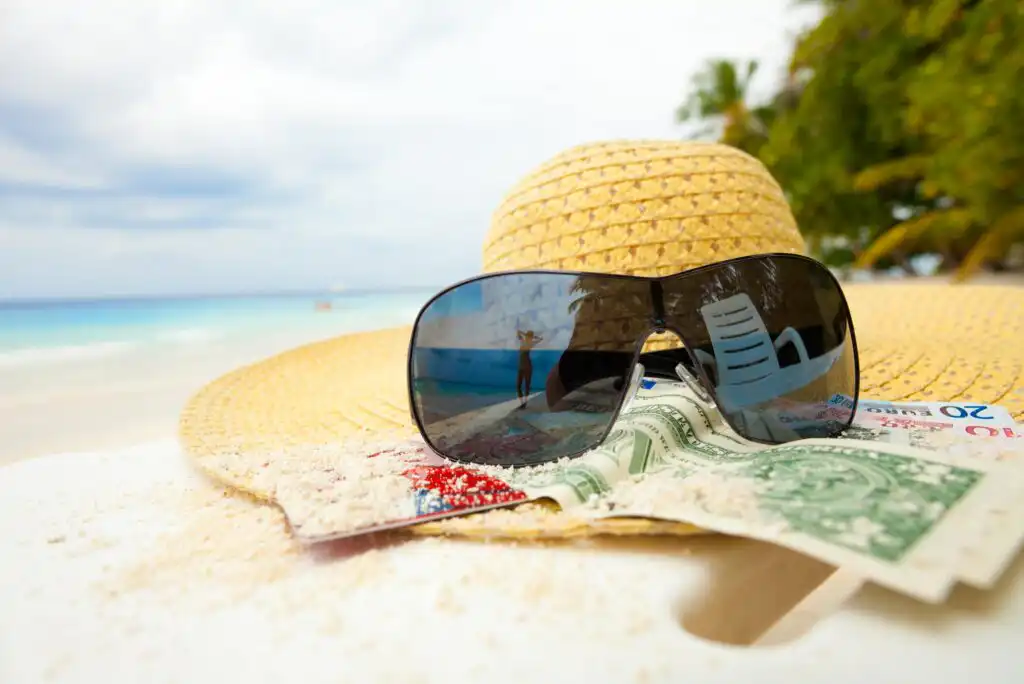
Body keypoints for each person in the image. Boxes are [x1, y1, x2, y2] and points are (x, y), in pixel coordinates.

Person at [516, 329, 543, 409]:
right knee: (518, 385)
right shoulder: (522, 341)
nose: (528, 338)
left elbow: (540, 339)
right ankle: (522, 403)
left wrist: (533, 337)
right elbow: (518, 332)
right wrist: (525, 334)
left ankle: (525, 403)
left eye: (529, 336)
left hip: (528, 367)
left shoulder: (531, 343)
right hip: (521, 366)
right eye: (528, 336)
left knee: (527, 385)